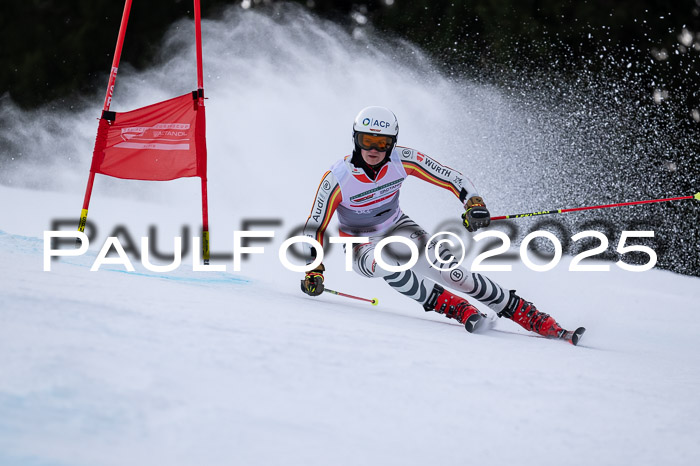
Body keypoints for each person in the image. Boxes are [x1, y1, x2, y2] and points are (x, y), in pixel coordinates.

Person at [300, 106, 582, 343]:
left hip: (399, 226)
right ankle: (457, 308)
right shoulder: (338, 178)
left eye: (382, 143)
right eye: (366, 141)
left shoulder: (402, 160)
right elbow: (316, 226)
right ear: (355, 139)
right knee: (390, 258)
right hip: (360, 246)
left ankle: (533, 317)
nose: (373, 149)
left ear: (392, 143)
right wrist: (314, 269)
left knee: (456, 274)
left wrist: (473, 203)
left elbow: (450, 177)